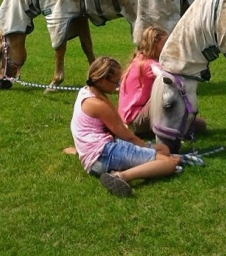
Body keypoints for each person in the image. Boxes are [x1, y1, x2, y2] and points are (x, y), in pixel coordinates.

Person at [70, 56, 180, 197]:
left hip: (98, 155)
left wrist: (150, 150)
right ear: (103, 81)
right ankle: (120, 176)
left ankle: (132, 167)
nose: (117, 87)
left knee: (163, 149)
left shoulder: (87, 92)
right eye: (116, 82)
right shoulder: (98, 105)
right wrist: (146, 148)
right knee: (169, 163)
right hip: (104, 155)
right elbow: (127, 136)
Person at [118, 25, 206, 136]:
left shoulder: (139, 59)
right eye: (164, 44)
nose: (167, 47)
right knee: (172, 92)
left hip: (130, 119)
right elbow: (171, 76)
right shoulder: (148, 65)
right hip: (136, 121)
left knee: (197, 124)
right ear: (154, 45)